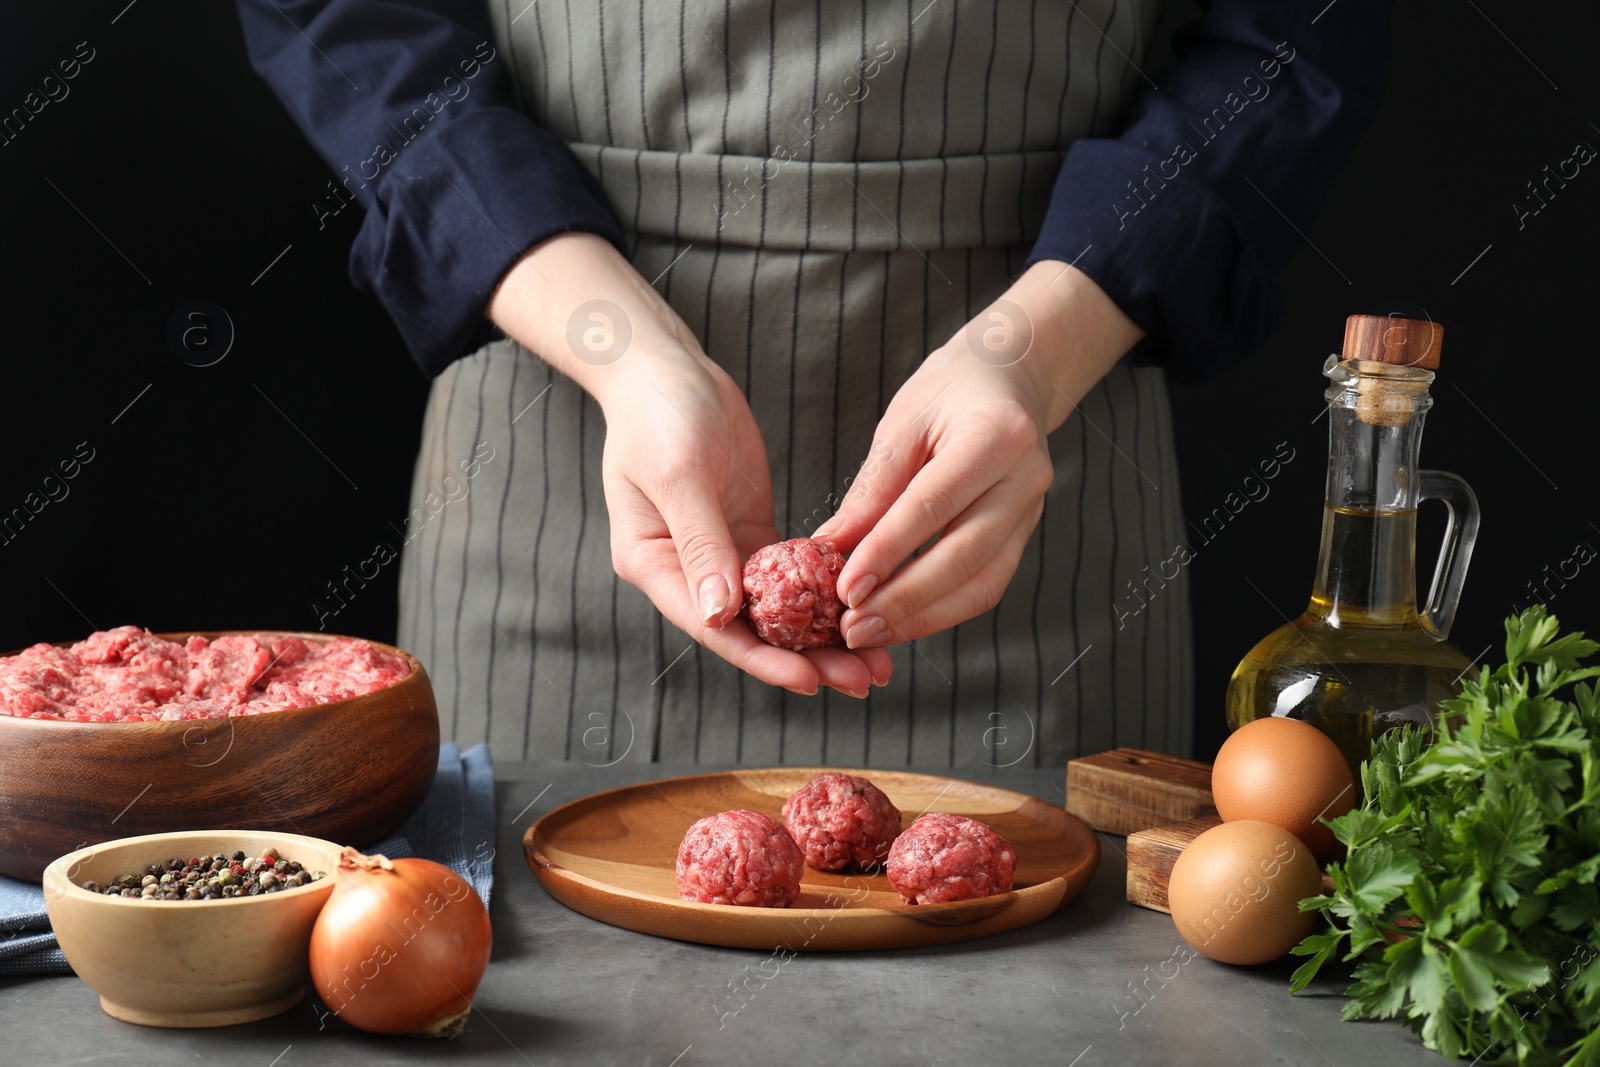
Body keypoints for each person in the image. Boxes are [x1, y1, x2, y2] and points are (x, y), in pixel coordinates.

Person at [237, 0, 1390, 768]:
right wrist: (622, 347)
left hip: (1042, 507)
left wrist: (1029, 359)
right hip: (563, 488)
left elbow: (1300, 34)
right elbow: (345, 20)